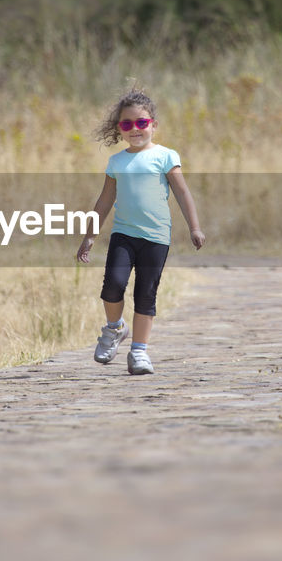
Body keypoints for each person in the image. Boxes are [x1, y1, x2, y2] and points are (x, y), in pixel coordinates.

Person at [76, 89, 205, 375]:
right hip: (123, 235)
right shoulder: (117, 162)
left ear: (153, 125)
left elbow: (183, 193)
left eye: (142, 123)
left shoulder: (165, 157)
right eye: (126, 124)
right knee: (112, 285)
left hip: (156, 238)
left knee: (146, 293)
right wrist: (90, 236)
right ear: (119, 128)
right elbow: (105, 200)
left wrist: (194, 227)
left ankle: (139, 352)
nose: (135, 129)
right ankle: (114, 328)